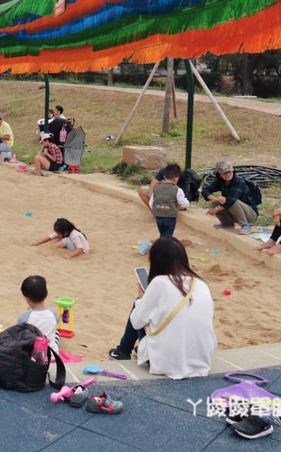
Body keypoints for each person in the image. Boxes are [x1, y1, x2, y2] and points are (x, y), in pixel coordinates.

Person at [108, 236, 216, 379]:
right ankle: (132, 350)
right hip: (201, 360)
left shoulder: (160, 282)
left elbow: (136, 322)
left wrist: (141, 299)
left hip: (167, 362)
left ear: (156, 260)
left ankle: (123, 351)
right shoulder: (201, 283)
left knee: (139, 306)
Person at [0, 275, 60, 351]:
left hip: (32, 357)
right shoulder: (53, 313)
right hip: (53, 355)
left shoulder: (25, 316)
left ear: (27, 299)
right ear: (46, 294)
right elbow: (54, 322)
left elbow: (17, 334)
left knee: (5, 341)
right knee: (55, 333)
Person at [201, 159, 257, 232]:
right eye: (224, 173)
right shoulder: (220, 181)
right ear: (219, 174)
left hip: (249, 213)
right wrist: (215, 199)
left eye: (229, 172)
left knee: (232, 202)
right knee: (214, 204)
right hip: (234, 211)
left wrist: (215, 210)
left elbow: (231, 200)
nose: (227, 174)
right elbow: (205, 190)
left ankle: (245, 225)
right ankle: (227, 223)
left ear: (233, 171)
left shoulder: (238, 181)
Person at [149, 164, 189, 238]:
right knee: (167, 236)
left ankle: (161, 244)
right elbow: (184, 204)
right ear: (177, 178)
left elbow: (151, 203)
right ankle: (162, 247)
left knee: (163, 233)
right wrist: (186, 201)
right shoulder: (178, 190)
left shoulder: (156, 188)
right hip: (170, 217)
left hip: (159, 216)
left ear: (164, 177)